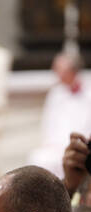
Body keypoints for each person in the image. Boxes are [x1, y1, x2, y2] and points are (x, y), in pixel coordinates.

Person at [29, 51, 91, 179]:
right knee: (39, 158)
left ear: (72, 71)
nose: (56, 73)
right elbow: (48, 122)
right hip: (57, 144)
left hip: (82, 144)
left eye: (60, 70)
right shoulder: (56, 93)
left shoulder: (88, 91)